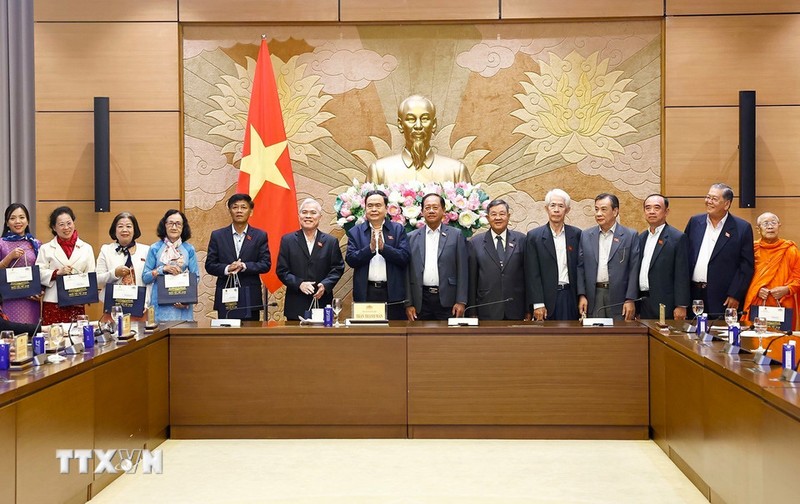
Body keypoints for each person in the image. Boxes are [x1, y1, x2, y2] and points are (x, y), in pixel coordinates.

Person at [366, 95, 471, 185]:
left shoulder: (456, 171)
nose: (418, 126)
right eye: (411, 119)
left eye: (424, 119)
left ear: (434, 124)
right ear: (400, 125)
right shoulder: (379, 171)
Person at [684, 183, 754, 316]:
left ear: (727, 204)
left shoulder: (742, 228)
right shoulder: (695, 222)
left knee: (719, 335)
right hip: (693, 294)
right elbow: (684, 257)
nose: (708, 202)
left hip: (723, 298)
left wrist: (735, 294)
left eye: (714, 199)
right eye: (707, 197)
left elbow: (746, 266)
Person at [345, 190, 410, 321]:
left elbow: (405, 257)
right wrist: (369, 250)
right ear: (365, 209)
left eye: (378, 205)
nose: (374, 209)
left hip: (392, 292)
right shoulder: (355, 232)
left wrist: (384, 249)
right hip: (366, 292)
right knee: (367, 336)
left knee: (394, 335)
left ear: (386, 209)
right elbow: (351, 260)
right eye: (370, 206)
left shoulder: (398, 230)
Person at [205, 194, 270, 321]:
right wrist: (227, 268)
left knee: (250, 337)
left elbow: (265, 264)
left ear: (250, 212)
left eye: (243, 207)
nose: (239, 211)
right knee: (227, 337)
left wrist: (244, 266)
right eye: (235, 207)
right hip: (226, 296)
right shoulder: (218, 236)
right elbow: (210, 265)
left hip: (250, 297)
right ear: (230, 210)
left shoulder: (260, 235)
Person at [277, 198, 344, 321]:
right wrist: (299, 284)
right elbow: (282, 270)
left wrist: (325, 285)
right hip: (296, 303)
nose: (308, 216)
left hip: (322, 302)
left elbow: (337, 268)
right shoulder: (288, 240)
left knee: (322, 340)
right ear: (299, 216)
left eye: (313, 213)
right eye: (304, 212)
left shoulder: (330, 241)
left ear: (320, 216)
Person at [577, 193, 640, 320]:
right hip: (594, 295)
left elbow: (634, 269)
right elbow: (580, 267)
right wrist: (582, 295)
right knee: (595, 336)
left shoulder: (630, 235)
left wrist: (630, 299)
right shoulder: (586, 235)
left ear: (615, 211)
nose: (598, 213)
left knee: (618, 336)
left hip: (619, 297)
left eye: (603, 209)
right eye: (596, 209)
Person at [405, 193, 468, 320]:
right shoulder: (411, 237)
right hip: (420, 300)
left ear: (443, 210)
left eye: (435, 207)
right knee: (419, 338)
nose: (431, 211)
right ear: (422, 212)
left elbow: (463, 270)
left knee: (447, 339)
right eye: (427, 208)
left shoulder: (456, 235)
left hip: (448, 300)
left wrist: (461, 301)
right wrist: (408, 303)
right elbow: (406, 273)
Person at [525, 189, 582, 321]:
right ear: (546, 208)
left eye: (561, 206)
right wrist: (538, 303)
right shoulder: (534, 237)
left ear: (567, 210)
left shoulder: (576, 235)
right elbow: (532, 273)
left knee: (570, 338)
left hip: (570, 297)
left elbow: (581, 269)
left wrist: (581, 296)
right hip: (545, 298)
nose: (556, 210)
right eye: (553, 205)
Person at [467, 199, 528, 320]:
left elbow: (528, 277)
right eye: (494, 214)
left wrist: (528, 308)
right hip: (487, 308)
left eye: (502, 214)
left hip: (516, 307)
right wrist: (472, 310)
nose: (498, 218)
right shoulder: (475, 242)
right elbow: (472, 280)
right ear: (487, 217)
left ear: (508, 216)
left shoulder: (522, 240)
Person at [35, 206, 96, 324]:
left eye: (69, 223)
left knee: (77, 337)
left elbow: (91, 275)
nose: (66, 227)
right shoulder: (46, 248)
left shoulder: (86, 248)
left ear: (74, 223)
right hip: (53, 302)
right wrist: (56, 273)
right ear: (54, 227)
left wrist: (89, 294)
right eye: (61, 224)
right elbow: (38, 273)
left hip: (77, 300)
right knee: (53, 338)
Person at [741, 212, 800, 330]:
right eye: (765, 223)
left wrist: (787, 289)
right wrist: (756, 289)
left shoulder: (790, 250)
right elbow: (742, 277)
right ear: (758, 229)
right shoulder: (752, 250)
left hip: (783, 303)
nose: (770, 226)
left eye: (773, 222)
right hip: (757, 302)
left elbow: (798, 277)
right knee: (755, 340)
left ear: (779, 226)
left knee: (782, 340)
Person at [637, 194, 690, 320]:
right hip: (643, 302)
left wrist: (681, 305)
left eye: (657, 208)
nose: (652, 212)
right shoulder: (641, 238)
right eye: (648, 208)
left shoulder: (677, 238)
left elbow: (682, 274)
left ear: (666, 211)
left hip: (666, 304)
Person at [142, 209, 200, 322]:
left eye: (178, 224)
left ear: (183, 227)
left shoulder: (189, 249)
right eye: (171, 223)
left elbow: (196, 277)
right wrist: (162, 269)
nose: (174, 227)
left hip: (182, 305)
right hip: (160, 306)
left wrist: (186, 300)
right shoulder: (155, 248)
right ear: (165, 225)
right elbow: (145, 276)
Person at [96, 212, 151, 318]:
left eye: (129, 226)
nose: (124, 230)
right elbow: (97, 279)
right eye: (120, 226)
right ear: (114, 230)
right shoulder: (106, 250)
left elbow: (150, 281)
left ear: (135, 230)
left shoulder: (146, 250)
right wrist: (114, 273)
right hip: (113, 309)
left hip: (141, 308)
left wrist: (145, 303)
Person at [0, 203, 42, 324]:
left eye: (22, 217)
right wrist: (9, 257)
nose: (18, 221)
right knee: (10, 335)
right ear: (7, 223)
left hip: (30, 301)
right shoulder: (2, 243)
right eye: (13, 218)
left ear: (28, 221)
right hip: (8, 300)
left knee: (30, 335)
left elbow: (41, 271)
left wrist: (41, 291)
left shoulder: (36, 244)